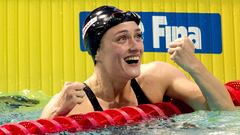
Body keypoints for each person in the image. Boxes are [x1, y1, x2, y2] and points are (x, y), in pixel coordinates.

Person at [40, 5, 235, 119]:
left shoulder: (158, 77)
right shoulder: (75, 105)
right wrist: (57, 113)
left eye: (138, 36)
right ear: (97, 51)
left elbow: (225, 114)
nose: (135, 47)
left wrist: (194, 66)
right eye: (122, 38)